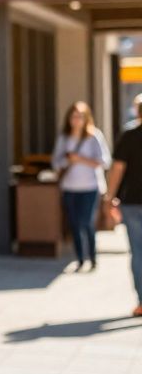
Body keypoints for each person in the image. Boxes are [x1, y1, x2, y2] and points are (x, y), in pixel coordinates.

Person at [51, 101, 111, 272]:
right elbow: (56, 162)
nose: (76, 120)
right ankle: (79, 259)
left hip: (90, 187)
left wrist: (80, 159)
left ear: (86, 119)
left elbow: (105, 161)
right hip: (70, 186)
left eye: (79, 117)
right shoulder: (64, 138)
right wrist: (67, 160)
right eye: (73, 117)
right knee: (74, 223)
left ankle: (91, 257)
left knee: (86, 222)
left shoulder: (93, 136)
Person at [106, 94, 142, 318]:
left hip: (132, 202)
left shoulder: (129, 135)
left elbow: (117, 169)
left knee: (138, 252)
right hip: (131, 204)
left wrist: (109, 197)